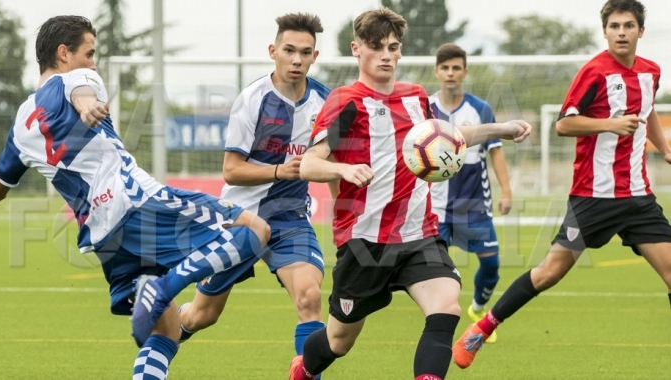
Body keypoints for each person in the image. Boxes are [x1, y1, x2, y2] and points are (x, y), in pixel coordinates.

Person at [0, 15, 270, 380]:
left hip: (103, 237)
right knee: (255, 229)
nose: (93, 62)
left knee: (168, 328)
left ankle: (156, 295)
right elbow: (81, 92)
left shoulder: (19, 126)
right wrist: (85, 106)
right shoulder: (77, 77)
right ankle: (163, 286)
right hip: (135, 202)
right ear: (64, 53)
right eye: (89, 53)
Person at [287, 7, 531, 380]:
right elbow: (308, 164)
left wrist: (502, 128)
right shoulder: (346, 102)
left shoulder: (415, 97)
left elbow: (450, 134)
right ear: (356, 49)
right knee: (338, 341)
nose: (386, 55)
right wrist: (342, 168)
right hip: (364, 240)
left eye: (393, 47)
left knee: (446, 307)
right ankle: (304, 368)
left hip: (420, 233)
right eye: (376, 46)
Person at [452, 0, 671, 370]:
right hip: (592, 197)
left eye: (628, 25)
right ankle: (483, 327)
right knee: (549, 272)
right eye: (614, 26)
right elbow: (564, 125)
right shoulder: (594, 73)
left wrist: (665, 148)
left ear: (640, 31)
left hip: (638, 198)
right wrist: (609, 124)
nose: (621, 32)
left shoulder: (652, 72)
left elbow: (647, 111)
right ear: (604, 31)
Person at [176, 13, 329, 376]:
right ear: (273, 51)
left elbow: (330, 161)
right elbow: (231, 170)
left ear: (314, 56)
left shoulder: (325, 101)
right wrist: (279, 170)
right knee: (202, 316)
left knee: (309, 297)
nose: (296, 59)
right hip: (239, 218)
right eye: (289, 50)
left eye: (305, 53)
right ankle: (161, 333)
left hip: (290, 218)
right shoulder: (253, 99)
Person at [429, 43, 514, 344]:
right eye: (445, 68)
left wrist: (506, 190)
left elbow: (496, 153)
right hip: (434, 208)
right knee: (432, 271)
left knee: (491, 265)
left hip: (474, 205)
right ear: (437, 72)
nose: (450, 73)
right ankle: (439, 323)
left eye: (456, 68)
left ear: (465, 71)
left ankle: (478, 309)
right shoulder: (425, 107)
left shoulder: (480, 109)